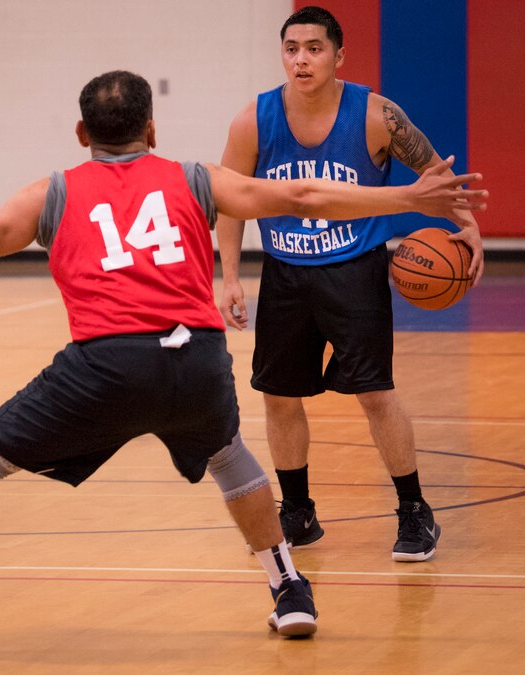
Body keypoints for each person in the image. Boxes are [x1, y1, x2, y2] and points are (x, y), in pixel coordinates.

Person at [0, 70, 486, 673]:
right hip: (199, 363)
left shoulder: (51, 192)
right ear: (153, 127)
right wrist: (407, 199)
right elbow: (300, 197)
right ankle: (289, 588)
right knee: (228, 455)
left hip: (106, 365)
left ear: (82, 135)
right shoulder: (192, 177)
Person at [216, 6, 485, 563]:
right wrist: (229, 276)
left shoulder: (376, 116)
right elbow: (230, 201)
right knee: (280, 396)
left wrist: (470, 228)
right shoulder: (254, 119)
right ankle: (298, 512)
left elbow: (436, 174)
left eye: (314, 48)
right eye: (292, 48)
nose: (301, 59)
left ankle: (414, 511)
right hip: (285, 273)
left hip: (355, 271)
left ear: (340, 55)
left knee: (375, 394)